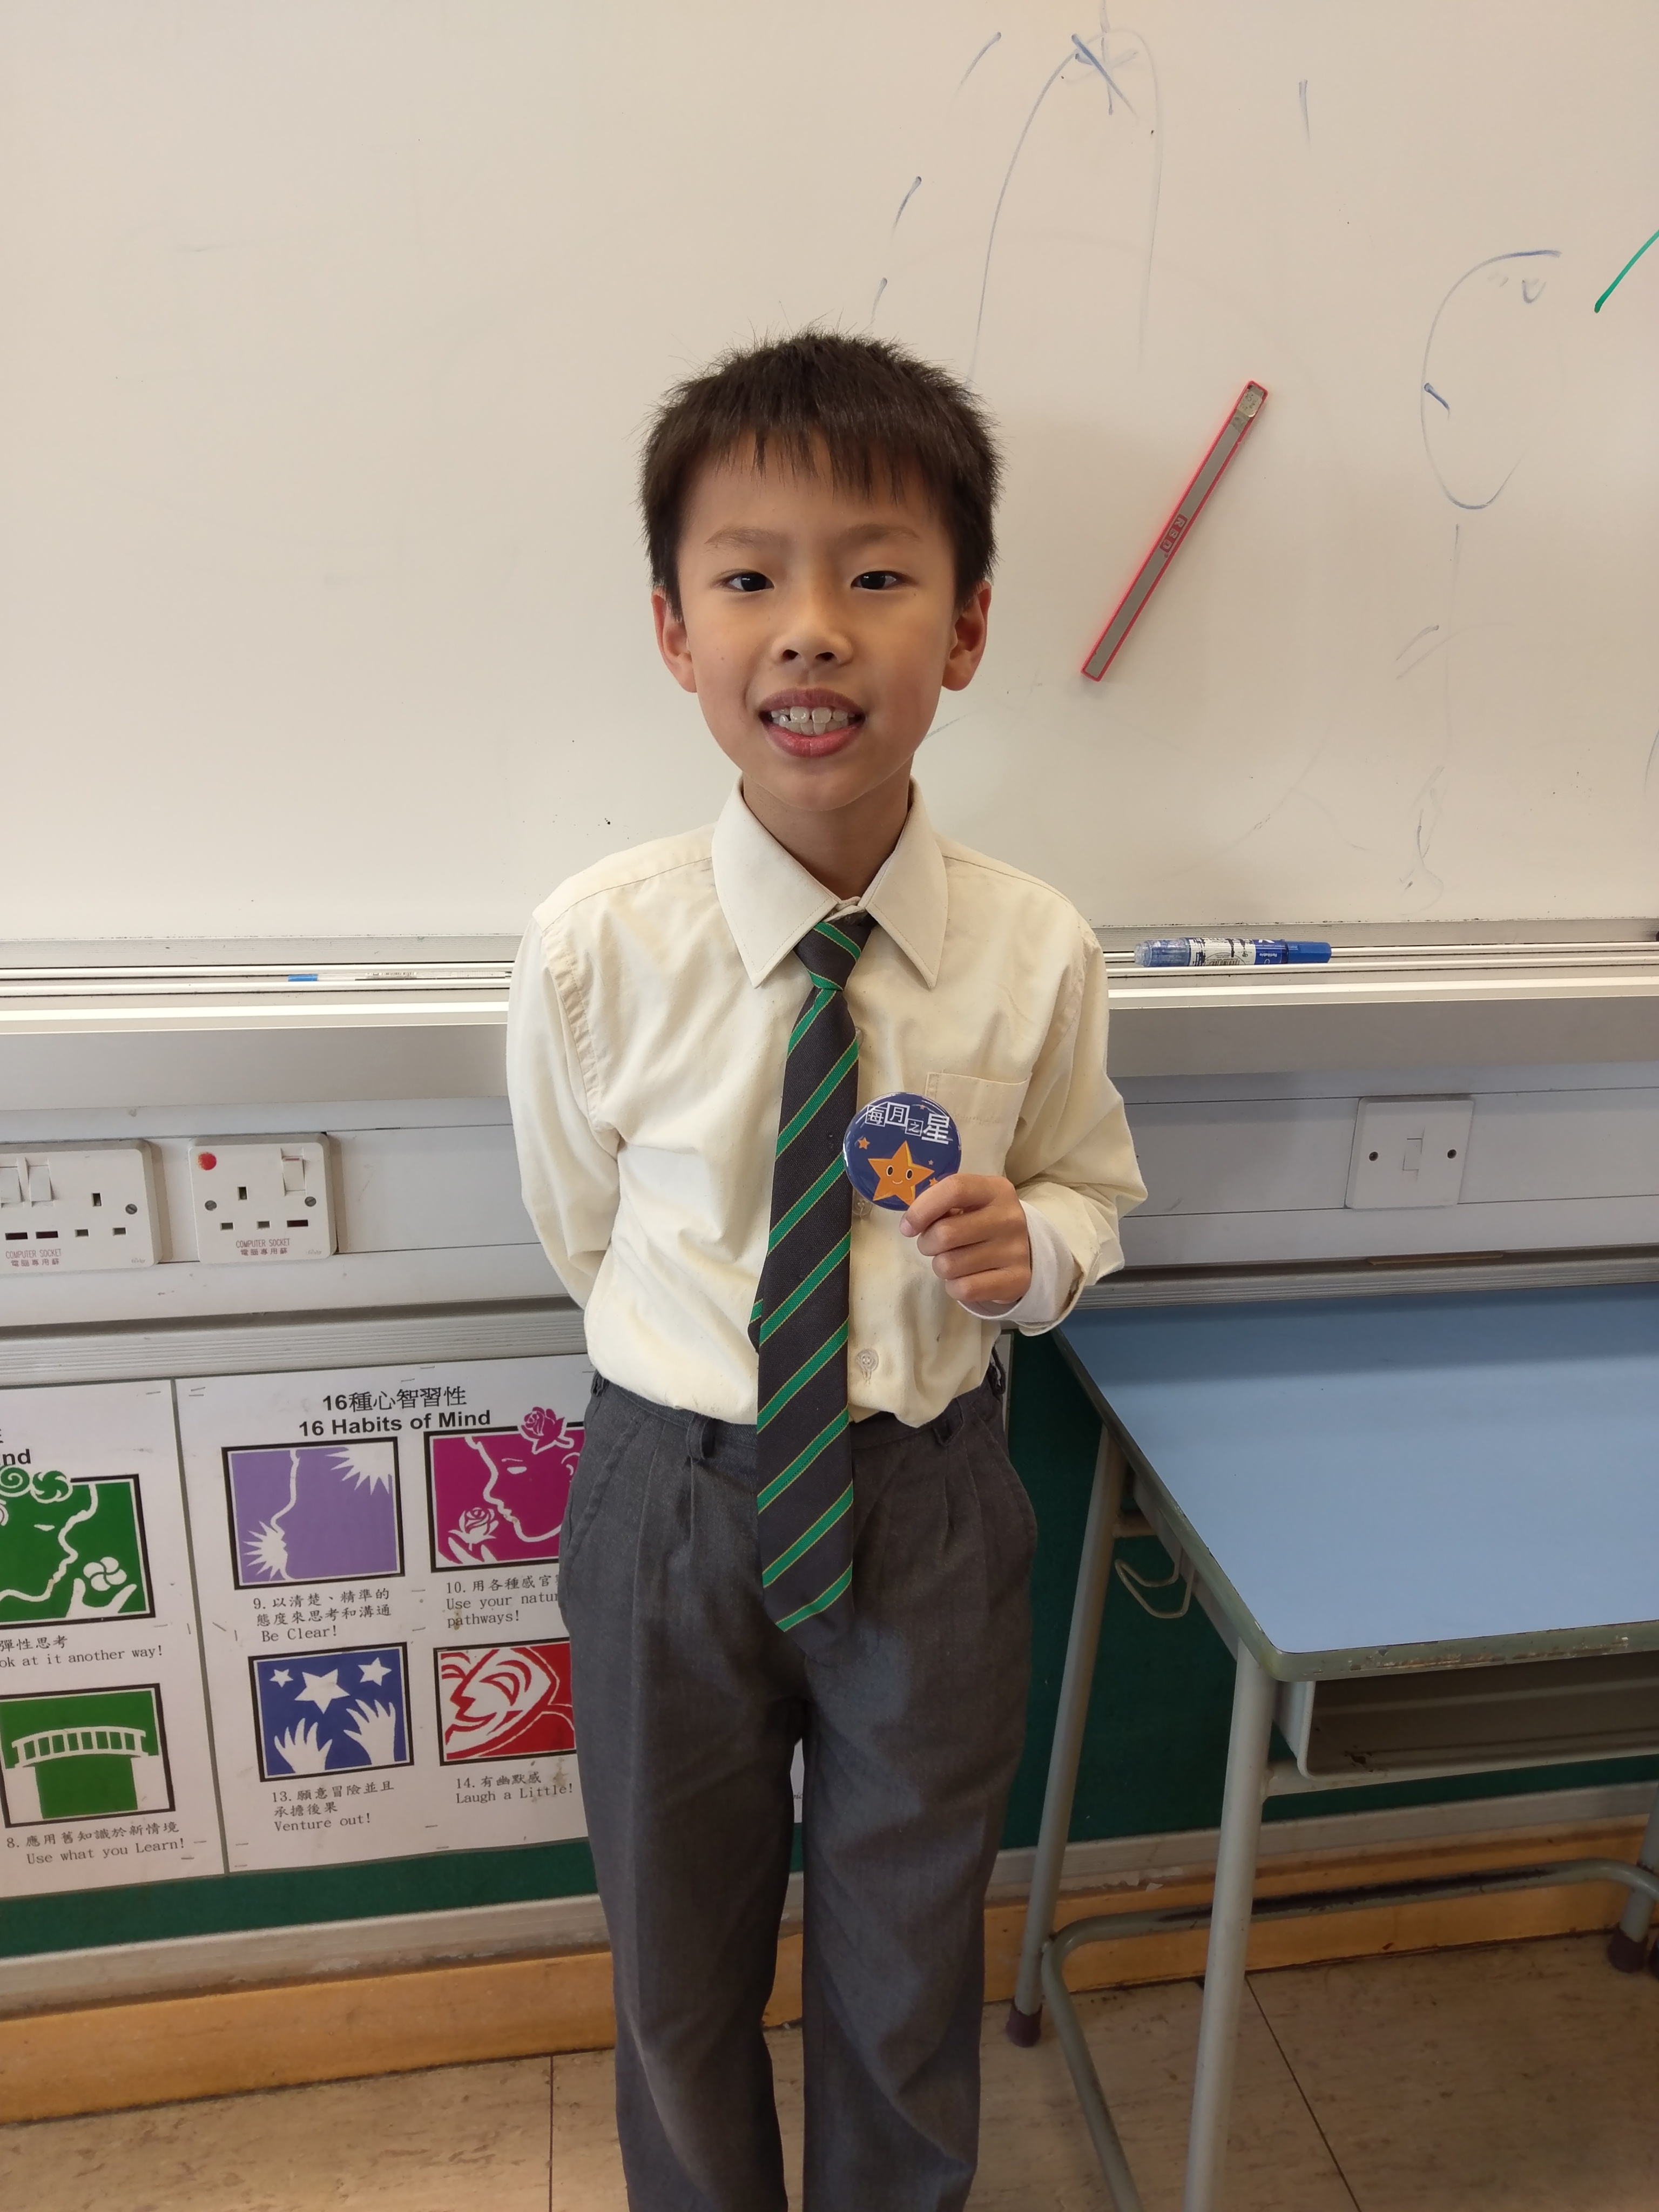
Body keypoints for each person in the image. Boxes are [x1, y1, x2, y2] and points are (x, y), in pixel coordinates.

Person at [507, 329, 1144, 2211]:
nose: (811, 632)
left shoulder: (1033, 951)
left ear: (965, 628)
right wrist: (697, 1389)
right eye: (748, 581)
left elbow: (1090, 1189)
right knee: (676, 1967)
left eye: (875, 577)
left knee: (904, 1962)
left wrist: (1033, 1256)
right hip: (673, 1501)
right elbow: (582, 1228)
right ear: (673, 630)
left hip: (927, 1505)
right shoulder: (595, 948)